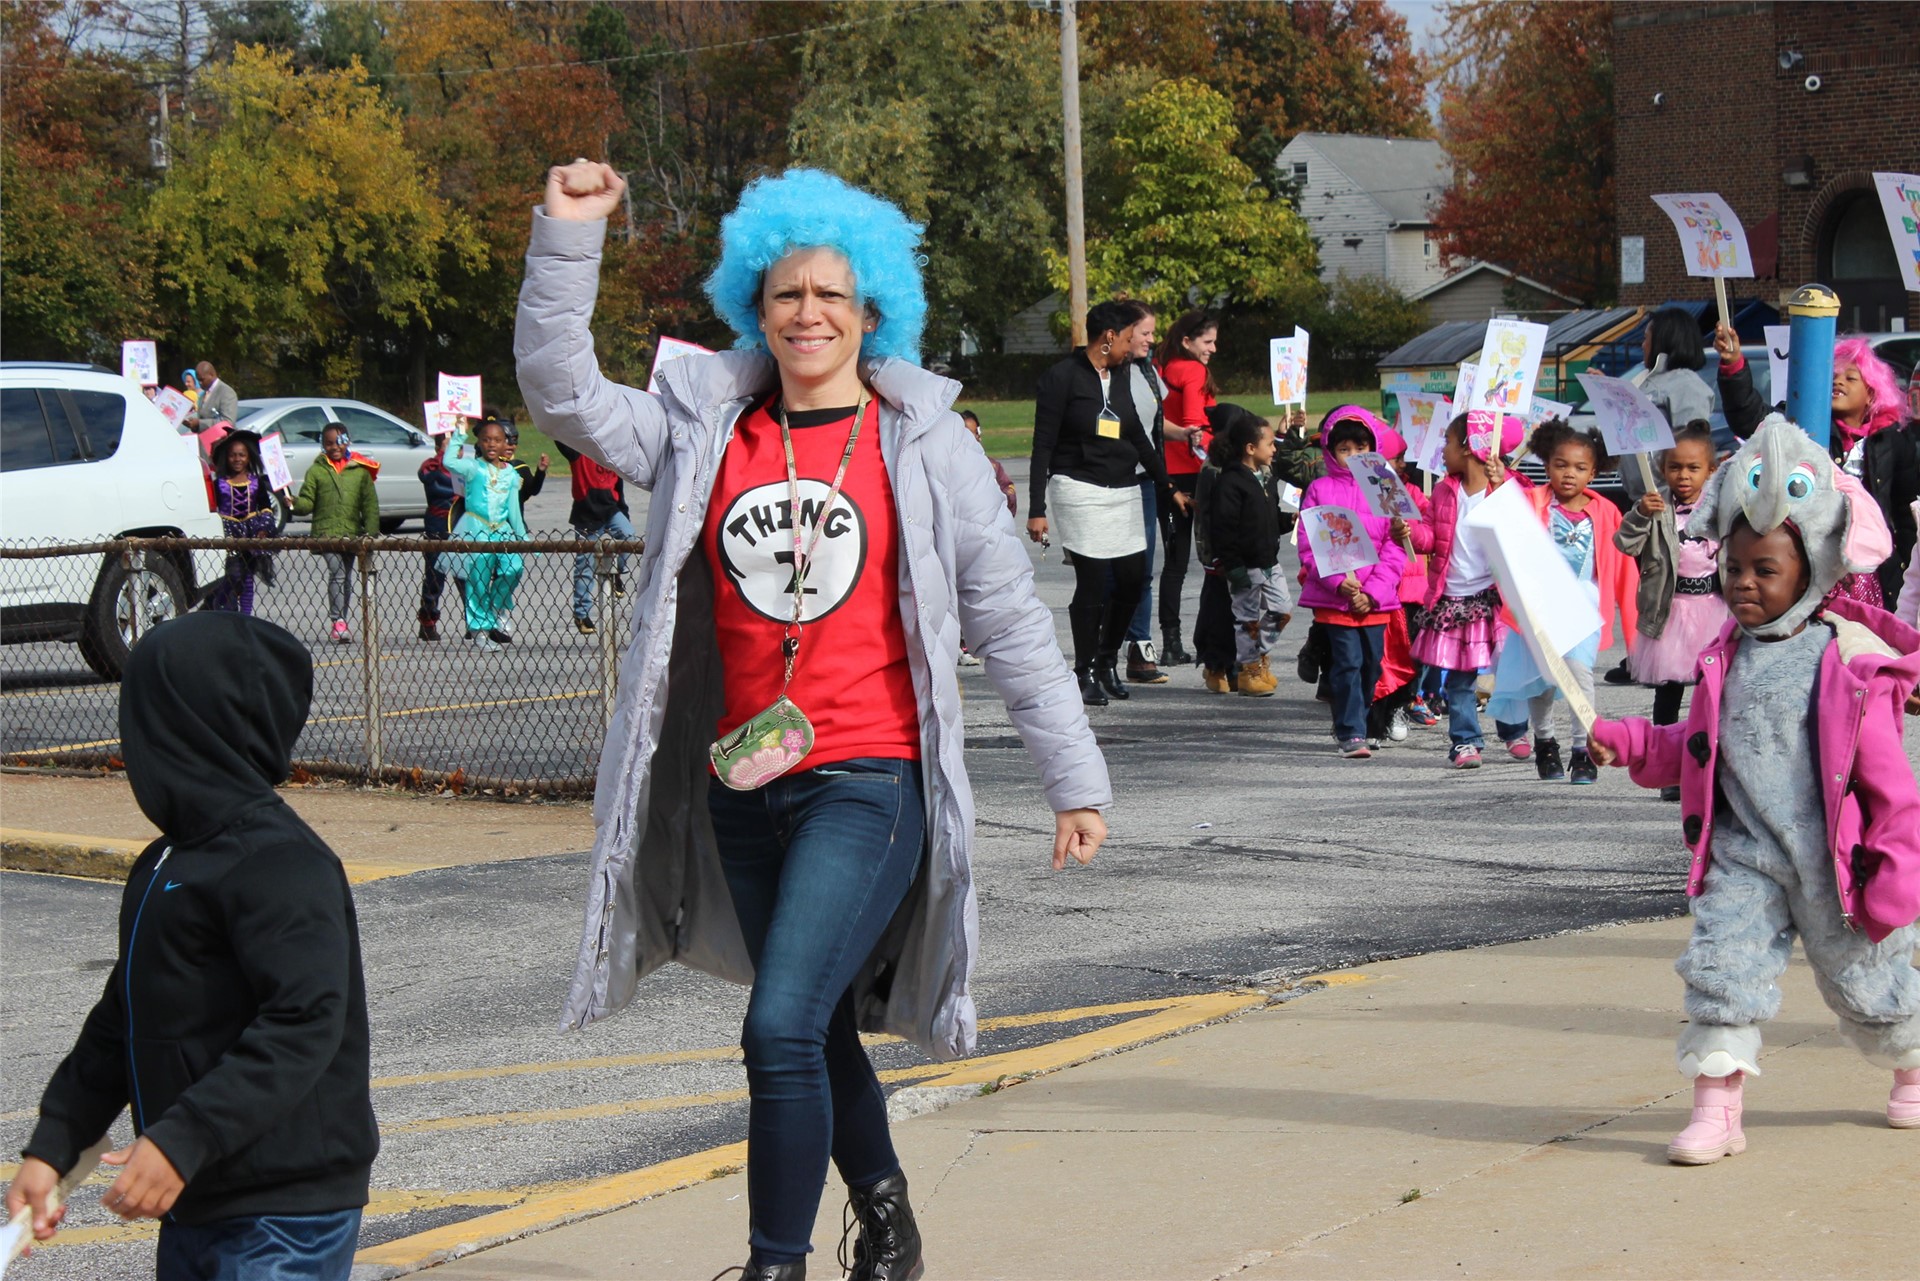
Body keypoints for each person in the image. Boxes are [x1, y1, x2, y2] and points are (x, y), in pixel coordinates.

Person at [515, 160, 1111, 1280]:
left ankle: (773, 1264)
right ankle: (884, 1209)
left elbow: (1012, 620)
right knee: (817, 1022)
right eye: (788, 293)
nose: (809, 314)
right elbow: (560, 389)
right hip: (743, 782)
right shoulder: (705, 431)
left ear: (873, 310)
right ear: (757, 305)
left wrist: (1073, 781)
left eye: (832, 295)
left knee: (778, 1026)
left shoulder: (925, 445)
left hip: (870, 782)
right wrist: (568, 236)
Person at [5, 611, 378, 1278]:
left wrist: (183, 1137)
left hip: (284, 1213)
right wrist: (55, 1145)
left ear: (195, 730)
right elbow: (125, 1016)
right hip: (196, 1200)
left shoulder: (282, 863)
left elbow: (304, 1021)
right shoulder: (166, 863)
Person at [1587, 416, 1920, 1163]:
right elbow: (1697, 746)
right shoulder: (1722, 658)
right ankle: (1717, 1108)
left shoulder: (1844, 664)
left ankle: (1911, 1058)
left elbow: (1892, 787)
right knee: (1721, 970)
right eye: (1735, 566)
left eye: (1764, 570)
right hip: (1743, 856)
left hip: (1835, 869)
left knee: (1871, 989)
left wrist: (1897, 873)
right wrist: (1635, 741)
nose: (1742, 583)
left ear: (1815, 569)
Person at [1028, 299, 1187, 706]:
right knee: (1095, 582)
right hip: (1077, 487)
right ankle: (1083, 671)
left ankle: (1107, 659)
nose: (1136, 344)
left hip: (1123, 490)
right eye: (1131, 337)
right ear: (1109, 337)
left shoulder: (1121, 374)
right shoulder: (1061, 378)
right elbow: (1042, 444)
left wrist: (1167, 487)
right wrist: (1037, 508)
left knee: (1133, 580)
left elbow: (1136, 432)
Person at [1487, 421, 1637, 784]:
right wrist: (1496, 481)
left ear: (1595, 471)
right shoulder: (1534, 502)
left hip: (1583, 604)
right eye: (1560, 464)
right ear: (1547, 464)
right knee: (1541, 680)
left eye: (1580, 467)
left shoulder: (1605, 512)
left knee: (1579, 672)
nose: (1569, 474)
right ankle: (1545, 741)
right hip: (1540, 603)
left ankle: (1583, 748)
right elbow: (1507, 521)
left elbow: (1624, 559)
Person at [1614, 422, 1729, 801]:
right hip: (1671, 609)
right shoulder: (1656, 506)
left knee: (1713, 692)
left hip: (1713, 608)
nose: (1684, 475)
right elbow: (1625, 544)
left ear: (1710, 470)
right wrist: (1640, 516)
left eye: (1693, 468)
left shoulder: (1721, 508)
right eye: (1676, 467)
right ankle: (1669, 770)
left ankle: (1714, 764)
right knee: (1669, 693)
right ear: (1664, 470)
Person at [1406, 414, 1526, 769]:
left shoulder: (1508, 486)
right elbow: (1430, 537)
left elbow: (1527, 524)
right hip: (1453, 599)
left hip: (1495, 599)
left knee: (1509, 671)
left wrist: (1504, 486)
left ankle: (1515, 731)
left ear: (1470, 447)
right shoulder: (1444, 490)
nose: (1442, 450)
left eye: (1447, 441)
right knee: (1459, 679)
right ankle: (1465, 741)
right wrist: (1409, 532)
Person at [1296, 414, 1407, 758]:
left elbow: (1396, 548)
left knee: (1372, 665)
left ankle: (1360, 722)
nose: (1354, 454)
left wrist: (1372, 593)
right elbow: (1309, 544)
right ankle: (1350, 731)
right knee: (1346, 663)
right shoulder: (1319, 489)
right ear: (1331, 452)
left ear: (1373, 449)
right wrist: (1338, 583)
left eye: (1361, 447)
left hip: (1374, 601)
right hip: (1336, 599)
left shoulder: (1382, 484)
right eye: (1345, 449)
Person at [1827, 337, 1917, 607]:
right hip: (1824, 567)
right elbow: (1751, 416)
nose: (1838, 382)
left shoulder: (1894, 439)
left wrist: (1902, 567)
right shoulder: (1812, 431)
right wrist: (1733, 366)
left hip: (1874, 571)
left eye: (1850, 378)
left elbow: (1906, 512)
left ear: (1871, 392)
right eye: (1832, 376)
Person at [1206, 408, 1289, 696]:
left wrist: (1289, 521)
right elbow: (1224, 529)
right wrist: (1233, 566)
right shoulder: (1231, 482)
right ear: (1251, 448)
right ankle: (1248, 671)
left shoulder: (1266, 478)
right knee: (1248, 619)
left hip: (1270, 561)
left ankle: (1258, 655)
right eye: (1270, 444)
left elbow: (1269, 519)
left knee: (1282, 610)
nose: (1274, 449)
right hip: (1245, 566)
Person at [1155, 310, 1218, 665]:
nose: (1213, 348)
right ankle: (1212, 640)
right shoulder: (1194, 371)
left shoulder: (1162, 369)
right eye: (1207, 341)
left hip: (1167, 472)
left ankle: (1170, 640)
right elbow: (1195, 424)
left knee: (1174, 563)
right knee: (1214, 561)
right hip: (1195, 472)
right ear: (1187, 341)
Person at [1191, 403, 1262, 693]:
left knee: (1243, 611)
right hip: (1219, 558)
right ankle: (1214, 664)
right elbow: (1204, 519)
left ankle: (1235, 665)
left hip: (1244, 553)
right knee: (1217, 611)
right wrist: (1211, 558)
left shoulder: (1246, 467)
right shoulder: (1212, 470)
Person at [440, 419, 526, 651]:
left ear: (504, 443)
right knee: (477, 579)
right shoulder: (472, 467)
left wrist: (522, 536)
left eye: (497, 440)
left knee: (513, 568)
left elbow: (514, 510)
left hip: (503, 529)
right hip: (477, 529)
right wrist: (459, 434)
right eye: (486, 440)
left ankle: (496, 608)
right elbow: (448, 461)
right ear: (479, 442)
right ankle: (480, 630)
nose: (491, 444)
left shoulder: (510, 474)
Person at [292, 423, 380, 644]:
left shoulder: (360, 471)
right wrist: (293, 503)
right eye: (329, 443)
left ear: (347, 441)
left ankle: (342, 618)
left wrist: (371, 532)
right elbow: (306, 503)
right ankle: (338, 620)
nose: (334, 447)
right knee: (338, 573)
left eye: (338, 441)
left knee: (347, 577)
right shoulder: (316, 470)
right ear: (323, 445)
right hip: (325, 533)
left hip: (351, 534)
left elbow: (369, 504)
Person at [1119, 306, 1169, 684]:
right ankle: (1102, 652)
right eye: (1146, 333)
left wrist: (1186, 434)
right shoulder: (1108, 373)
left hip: (1147, 481)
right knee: (1111, 572)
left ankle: (1140, 647)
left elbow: (1154, 423)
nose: (1152, 340)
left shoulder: (1149, 373)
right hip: (1115, 481)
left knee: (1144, 569)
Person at [556, 439, 633, 636]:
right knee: (585, 566)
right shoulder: (578, 451)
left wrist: (624, 514)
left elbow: (619, 492)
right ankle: (581, 613)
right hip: (587, 516)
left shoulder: (613, 456)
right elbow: (559, 435)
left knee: (628, 536)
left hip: (611, 511)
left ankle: (615, 574)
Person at [204, 430, 279, 616]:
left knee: (247, 578)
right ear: (226, 457)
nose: (237, 459)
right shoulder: (220, 482)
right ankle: (223, 609)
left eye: (242, 455)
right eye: (233, 455)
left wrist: (263, 528)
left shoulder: (256, 482)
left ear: (249, 457)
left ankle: (245, 616)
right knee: (231, 574)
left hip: (251, 534)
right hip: (227, 534)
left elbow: (265, 506)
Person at [417, 431, 457, 642]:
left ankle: (475, 622)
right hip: (437, 523)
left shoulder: (463, 467)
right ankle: (428, 619)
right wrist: (443, 460)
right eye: (449, 445)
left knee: (467, 576)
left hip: (460, 523)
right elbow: (427, 479)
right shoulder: (431, 467)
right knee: (435, 575)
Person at [189, 360, 239, 430]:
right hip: (205, 439)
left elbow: (228, 423)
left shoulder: (226, 392)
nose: (200, 383)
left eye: (202, 379)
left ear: (211, 375)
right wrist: (193, 425)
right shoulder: (203, 394)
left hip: (223, 440)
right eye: (198, 380)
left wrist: (200, 423)